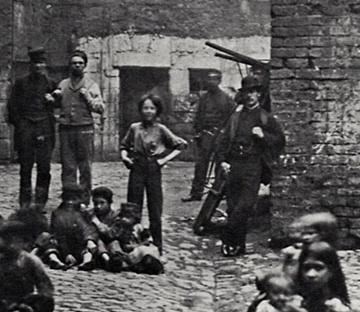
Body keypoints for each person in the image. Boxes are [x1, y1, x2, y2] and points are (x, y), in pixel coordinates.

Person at [212, 74, 285, 257]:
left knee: (244, 207)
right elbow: (221, 142)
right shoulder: (235, 117)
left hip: (253, 167)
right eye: (247, 92)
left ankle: (228, 238)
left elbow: (280, 141)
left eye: (253, 92)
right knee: (232, 206)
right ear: (242, 95)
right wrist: (223, 162)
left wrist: (263, 136)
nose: (250, 95)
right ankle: (238, 246)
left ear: (258, 94)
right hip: (234, 165)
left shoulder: (265, 118)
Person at [120, 94, 186, 252]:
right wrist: (125, 158)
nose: (148, 111)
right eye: (145, 108)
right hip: (137, 167)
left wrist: (164, 160)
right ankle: (131, 242)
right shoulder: (134, 128)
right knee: (133, 207)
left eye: (152, 108)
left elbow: (181, 145)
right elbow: (124, 146)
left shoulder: (161, 129)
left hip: (153, 168)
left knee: (155, 208)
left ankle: (157, 245)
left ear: (157, 111)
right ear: (140, 110)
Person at [0, 219, 55, 312]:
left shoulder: (31, 261)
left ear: (24, 243)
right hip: (0, 302)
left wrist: (38, 298)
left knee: (46, 302)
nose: (12, 245)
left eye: (16, 241)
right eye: (8, 241)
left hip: (23, 300)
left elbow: (45, 288)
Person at [7, 47, 57, 208]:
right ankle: (25, 203)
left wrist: (53, 100)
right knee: (25, 167)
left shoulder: (51, 84)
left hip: (44, 129)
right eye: (35, 63)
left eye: (41, 63)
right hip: (26, 129)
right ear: (31, 64)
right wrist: (21, 126)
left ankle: (41, 203)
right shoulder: (21, 83)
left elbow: (58, 106)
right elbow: (12, 107)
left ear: (45, 65)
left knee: (44, 167)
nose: (38, 66)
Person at [54, 49, 104, 201]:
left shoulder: (91, 85)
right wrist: (54, 102)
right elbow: (56, 105)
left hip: (84, 129)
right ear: (70, 65)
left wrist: (88, 97)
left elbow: (100, 108)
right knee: (68, 165)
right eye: (74, 63)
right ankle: (69, 197)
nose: (77, 66)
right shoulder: (63, 84)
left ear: (85, 66)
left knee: (85, 166)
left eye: (80, 63)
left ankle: (84, 197)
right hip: (66, 129)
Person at [209, 267, 307, 312]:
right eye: (276, 293)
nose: (281, 297)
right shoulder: (266, 306)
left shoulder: (295, 303)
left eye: (286, 293)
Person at [184, 69, 236, 202]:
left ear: (219, 80)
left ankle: (218, 193)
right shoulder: (204, 98)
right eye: (209, 79)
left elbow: (232, 118)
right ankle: (196, 193)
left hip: (220, 136)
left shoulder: (226, 99)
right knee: (201, 164)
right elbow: (199, 116)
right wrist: (197, 132)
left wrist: (225, 133)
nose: (211, 81)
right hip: (205, 135)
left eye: (215, 79)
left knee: (220, 164)